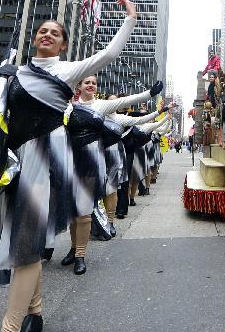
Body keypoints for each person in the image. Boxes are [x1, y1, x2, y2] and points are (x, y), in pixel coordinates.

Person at [0, 0, 136, 332]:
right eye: (43, 30)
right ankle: (36, 313)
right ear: (35, 39)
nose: (48, 34)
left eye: (56, 33)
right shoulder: (12, 73)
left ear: (63, 46)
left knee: (26, 245)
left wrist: (130, 21)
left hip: (45, 163)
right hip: (14, 165)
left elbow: (106, 56)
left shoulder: (65, 70)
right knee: (19, 239)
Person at [59, 79, 163, 274]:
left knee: (84, 210)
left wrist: (150, 94)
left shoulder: (101, 106)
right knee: (72, 211)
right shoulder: (68, 108)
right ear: (79, 87)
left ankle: (81, 255)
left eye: (94, 83)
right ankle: (73, 249)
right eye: (87, 82)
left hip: (92, 161)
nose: (91, 85)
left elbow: (126, 103)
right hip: (71, 160)